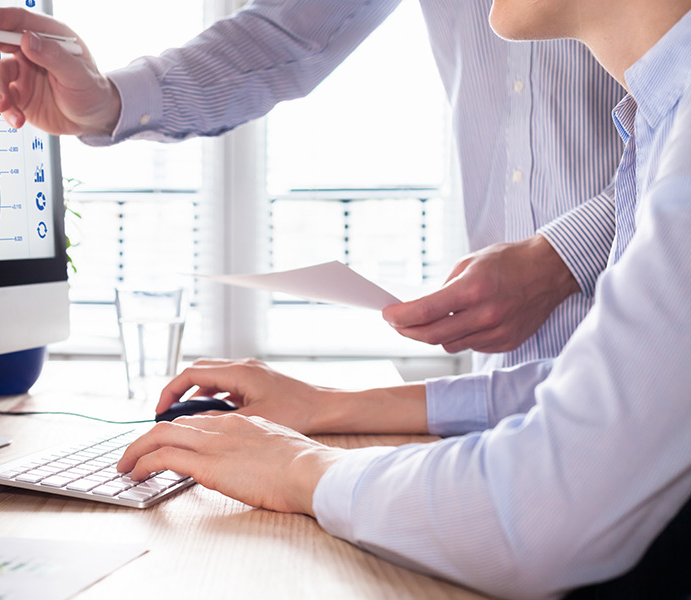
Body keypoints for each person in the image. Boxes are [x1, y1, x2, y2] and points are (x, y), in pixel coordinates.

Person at [112, 1, 691, 597]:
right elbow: (600, 386)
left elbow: (541, 512)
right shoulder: (660, 122)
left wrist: (297, 467)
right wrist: (330, 406)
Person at [0, 1, 624, 373]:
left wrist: (565, 257)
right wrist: (105, 100)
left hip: (654, 364)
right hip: (510, 386)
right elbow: (284, 38)